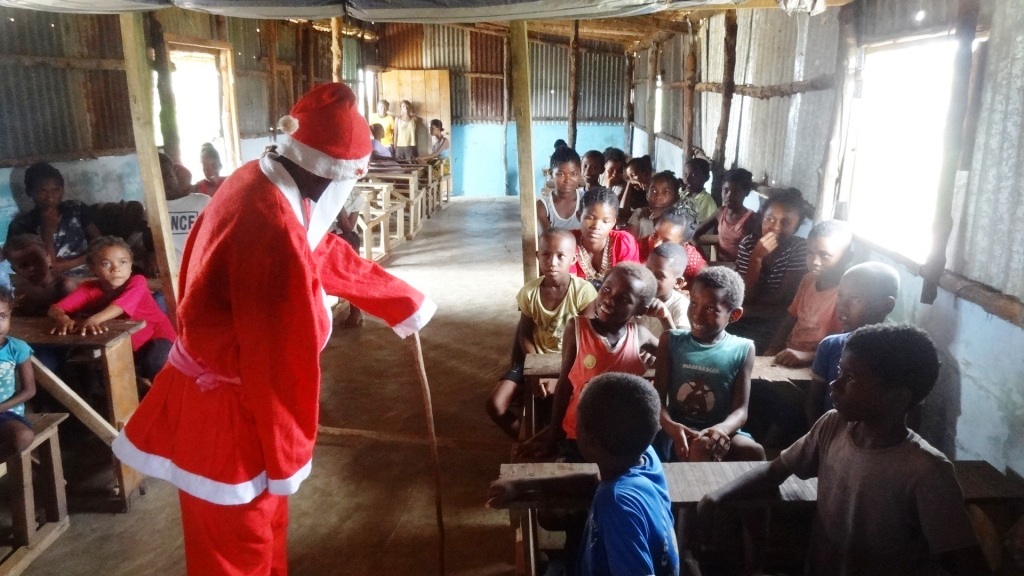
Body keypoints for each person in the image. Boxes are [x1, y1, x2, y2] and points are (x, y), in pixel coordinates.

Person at [111, 83, 436, 575]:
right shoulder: (270, 227)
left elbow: (317, 249)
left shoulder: (260, 178)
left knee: (264, 538)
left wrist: (398, 299)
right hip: (231, 421)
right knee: (236, 555)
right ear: (324, 173)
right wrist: (290, 453)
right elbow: (285, 361)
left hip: (232, 404)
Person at [698, 324, 989, 576]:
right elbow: (776, 470)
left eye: (851, 378)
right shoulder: (832, 426)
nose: (834, 385)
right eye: (840, 372)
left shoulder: (927, 472)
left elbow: (964, 562)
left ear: (898, 397)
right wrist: (717, 495)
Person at [489, 372, 680, 576]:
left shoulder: (617, 504)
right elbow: (594, 482)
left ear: (588, 440)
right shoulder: (644, 458)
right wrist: (521, 485)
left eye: (576, 420)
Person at [518, 262, 659, 462]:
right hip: (578, 433)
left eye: (624, 299)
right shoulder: (577, 329)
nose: (609, 300)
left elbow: (675, 351)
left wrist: (664, 328)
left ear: (640, 310)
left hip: (620, 437)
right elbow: (565, 385)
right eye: (607, 289)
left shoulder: (640, 336)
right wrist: (552, 438)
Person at [486, 229, 597, 439]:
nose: (552, 262)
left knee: (570, 411)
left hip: (573, 363)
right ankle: (528, 439)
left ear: (573, 259)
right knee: (495, 405)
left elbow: (586, 340)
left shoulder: (584, 292)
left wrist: (558, 378)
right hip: (534, 360)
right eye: (546, 255)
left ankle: (549, 439)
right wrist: (537, 371)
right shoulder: (529, 292)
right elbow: (525, 335)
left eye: (560, 256)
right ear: (538, 256)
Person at [653, 266, 764, 463]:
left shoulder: (743, 348)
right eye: (693, 304)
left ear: (734, 314)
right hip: (678, 428)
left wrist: (720, 430)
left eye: (711, 309)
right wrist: (671, 427)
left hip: (721, 430)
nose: (697, 314)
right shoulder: (671, 341)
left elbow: (740, 411)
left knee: (754, 452)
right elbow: (658, 398)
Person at [50, 236, 177, 385]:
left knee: (154, 364)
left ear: (131, 266)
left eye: (123, 262)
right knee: (83, 368)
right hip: (124, 344)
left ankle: (168, 400)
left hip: (157, 337)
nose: (116, 269)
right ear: (93, 268)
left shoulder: (137, 282)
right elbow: (55, 308)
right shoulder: (89, 289)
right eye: (106, 263)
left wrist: (94, 319)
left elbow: (119, 307)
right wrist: (62, 318)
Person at [806, 262, 899, 425]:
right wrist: (820, 440)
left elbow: (909, 416)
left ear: (887, 306)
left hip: (875, 442)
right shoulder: (830, 345)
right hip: (830, 436)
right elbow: (814, 403)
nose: (842, 306)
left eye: (855, 299)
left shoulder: (899, 352)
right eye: (840, 295)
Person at [731, 188, 810, 353]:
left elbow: (783, 300)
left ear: (796, 227)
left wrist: (749, 309)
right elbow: (745, 295)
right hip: (748, 314)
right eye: (770, 219)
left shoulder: (799, 249)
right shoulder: (749, 244)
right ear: (762, 218)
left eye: (786, 222)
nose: (775, 227)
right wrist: (756, 258)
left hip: (777, 321)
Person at [765, 220, 854, 367]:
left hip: (818, 361)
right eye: (810, 253)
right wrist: (773, 347)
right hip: (789, 352)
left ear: (847, 257)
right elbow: (791, 317)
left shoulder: (844, 294)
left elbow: (842, 344)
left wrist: (808, 356)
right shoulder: (808, 279)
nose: (814, 262)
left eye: (824, 255)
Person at [7, 162, 101, 276]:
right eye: (42, 191)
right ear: (30, 192)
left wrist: (69, 265)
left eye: (55, 190)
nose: (50, 197)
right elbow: (45, 269)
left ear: (62, 190)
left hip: (88, 274)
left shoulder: (76, 209)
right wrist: (47, 231)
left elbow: (102, 246)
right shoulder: (21, 225)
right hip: (50, 284)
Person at [571, 188, 640, 287]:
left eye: (606, 221)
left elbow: (630, 285)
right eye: (590, 218)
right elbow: (565, 286)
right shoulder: (567, 243)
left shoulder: (624, 243)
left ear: (613, 222)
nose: (596, 226)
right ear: (579, 216)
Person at [0, 287, 36, 462]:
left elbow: (29, 390)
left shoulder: (17, 348)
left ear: (10, 315)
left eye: (1, 316)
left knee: (23, 436)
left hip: (5, 412)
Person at [692, 168, 758, 261]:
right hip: (721, 266)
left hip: (740, 269)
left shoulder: (751, 219)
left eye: (736, 192)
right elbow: (694, 233)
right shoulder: (720, 213)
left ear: (746, 193)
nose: (729, 196)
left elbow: (755, 252)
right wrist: (703, 259)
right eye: (725, 190)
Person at [3, 234, 76, 317]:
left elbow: (75, 318)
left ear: (48, 259)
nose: (32, 268)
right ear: (15, 270)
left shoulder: (63, 286)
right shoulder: (20, 291)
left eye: (37, 261)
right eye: (24, 265)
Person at [161, 152, 212, 265]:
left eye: (168, 176)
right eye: (160, 178)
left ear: (175, 174)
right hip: (170, 270)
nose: (166, 182)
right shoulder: (155, 206)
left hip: (199, 265)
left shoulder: (203, 201)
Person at [637, 242, 691, 339]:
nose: (650, 278)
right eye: (648, 271)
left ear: (678, 282)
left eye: (659, 276)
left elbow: (682, 347)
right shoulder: (636, 295)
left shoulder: (682, 305)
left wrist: (665, 317)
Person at [641, 209, 706, 286]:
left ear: (682, 245)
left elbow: (708, 281)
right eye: (654, 235)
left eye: (666, 242)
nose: (656, 244)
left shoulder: (689, 258)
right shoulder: (641, 245)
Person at [537, 145, 584, 231]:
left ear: (580, 173)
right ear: (551, 174)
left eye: (573, 174)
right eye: (561, 174)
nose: (567, 180)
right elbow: (548, 239)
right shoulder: (543, 206)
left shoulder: (586, 201)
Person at [628, 169, 681, 241]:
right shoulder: (639, 213)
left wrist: (665, 214)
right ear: (647, 195)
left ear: (675, 197)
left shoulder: (679, 216)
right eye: (653, 191)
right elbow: (630, 242)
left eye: (666, 192)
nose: (658, 196)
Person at [680, 157, 718, 225]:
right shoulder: (682, 194)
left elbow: (698, 228)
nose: (687, 179)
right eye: (685, 175)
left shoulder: (706, 202)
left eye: (693, 175)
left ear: (706, 178)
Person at [621, 155, 652, 225]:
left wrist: (648, 190)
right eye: (629, 177)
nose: (631, 180)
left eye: (633, 175)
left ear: (647, 174)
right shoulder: (631, 190)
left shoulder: (656, 190)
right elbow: (622, 211)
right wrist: (628, 184)